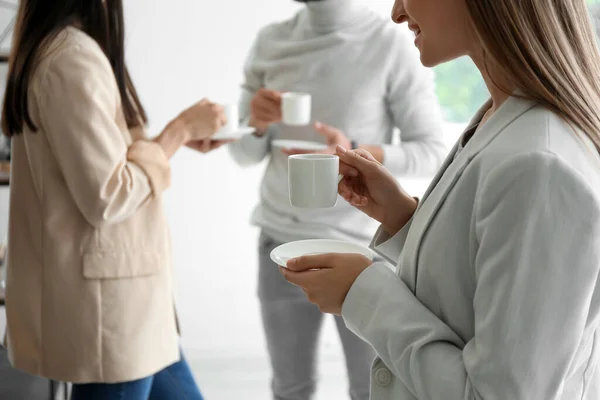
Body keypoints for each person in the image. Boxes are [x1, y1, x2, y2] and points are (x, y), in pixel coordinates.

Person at [281, 0, 600, 398]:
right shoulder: (501, 120)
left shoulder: (540, 165)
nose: (397, 12)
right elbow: (477, 278)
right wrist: (405, 217)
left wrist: (362, 294)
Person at [2, 1, 229, 399]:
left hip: (131, 307)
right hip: (113, 316)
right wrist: (176, 132)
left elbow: (104, 166)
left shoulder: (64, 50)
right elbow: (108, 194)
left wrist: (169, 142)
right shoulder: (71, 59)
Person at [228, 0, 446, 398]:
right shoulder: (270, 41)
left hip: (363, 250)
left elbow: (430, 148)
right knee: (290, 388)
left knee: (372, 389)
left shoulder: (388, 43)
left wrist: (356, 152)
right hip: (280, 244)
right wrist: (256, 126)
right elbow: (243, 155)